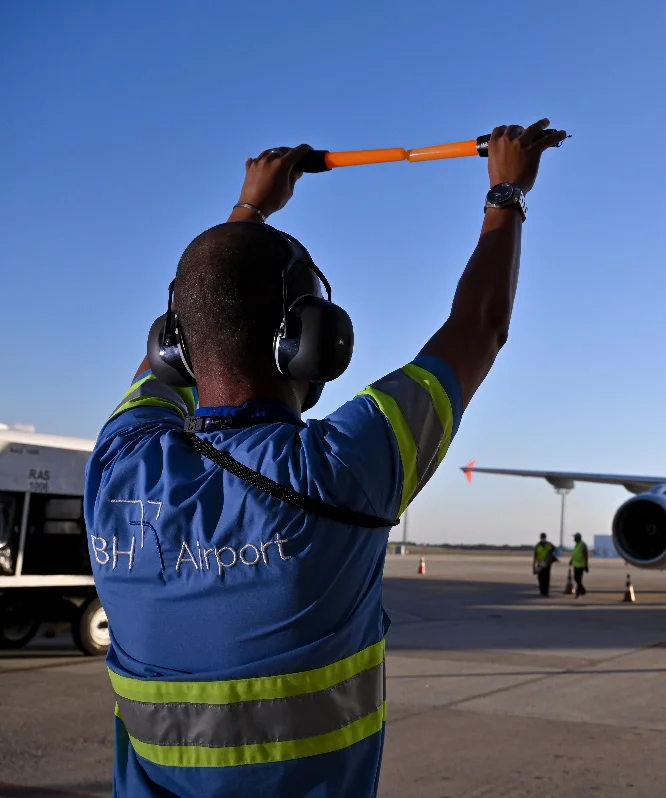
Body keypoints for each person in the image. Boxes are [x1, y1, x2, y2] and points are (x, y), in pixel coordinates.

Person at [83, 120, 566, 797]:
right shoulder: (341, 471)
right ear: (310, 344)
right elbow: (480, 327)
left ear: (176, 347)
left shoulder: (118, 467)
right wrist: (507, 190)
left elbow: (189, 330)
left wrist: (247, 209)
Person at [570, 532, 589, 598]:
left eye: (575, 537)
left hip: (581, 565)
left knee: (578, 579)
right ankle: (581, 591)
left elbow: (585, 555)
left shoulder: (582, 545)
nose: (574, 539)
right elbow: (575, 554)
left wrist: (586, 565)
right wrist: (571, 560)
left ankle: (580, 592)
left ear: (577, 538)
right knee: (577, 579)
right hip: (575, 564)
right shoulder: (576, 545)